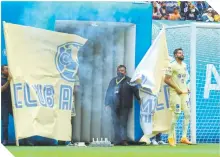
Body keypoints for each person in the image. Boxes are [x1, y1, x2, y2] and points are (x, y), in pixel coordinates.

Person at [105, 65, 140, 146]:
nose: (121, 72)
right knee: (115, 123)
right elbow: (108, 92)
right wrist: (107, 104)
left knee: (123, 123)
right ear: (117, 71)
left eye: (123, 70)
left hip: (125, 105)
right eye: (119, 70)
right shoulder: (113, 80)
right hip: (114, 105)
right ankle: (117, 140)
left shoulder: (130, 80)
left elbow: (136, 91)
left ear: (125, 72)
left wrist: (139, 99)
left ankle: (124, 140)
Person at [164, 48, 192, 147]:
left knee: (188, 113)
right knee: (176, 114)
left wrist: (186, 88)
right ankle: (170, 137)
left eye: (182, 53)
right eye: (180, 53)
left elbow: (183, 80)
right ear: (175, 55)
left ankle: (184, 137)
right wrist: (176, 88)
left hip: (184, 93)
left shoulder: (184, 65)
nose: (182, 54)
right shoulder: (171, 66)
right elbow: (166, 79)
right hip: (175, 93)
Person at [1, 65, 12, 145]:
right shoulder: (1, 80)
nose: (8, 70)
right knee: (5, 123)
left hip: (13, 105)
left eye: (8, 68)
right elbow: (1, 90)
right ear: (2, 71)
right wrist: (8, 81)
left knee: (20, 121)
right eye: (6, 69)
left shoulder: (13, 79)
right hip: (4, 105)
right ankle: (5, 140)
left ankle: (24, 140)